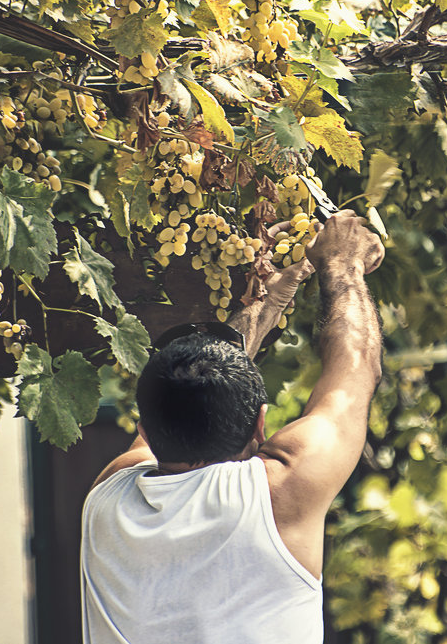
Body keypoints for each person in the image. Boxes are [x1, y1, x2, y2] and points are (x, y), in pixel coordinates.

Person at [80, 209, 385, 644]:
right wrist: (342, 264)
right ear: (260, 426)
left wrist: (267, 305)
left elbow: (183, 397)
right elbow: (356, 369)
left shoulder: (107, 497)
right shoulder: (277, 496)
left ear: (143, 426)